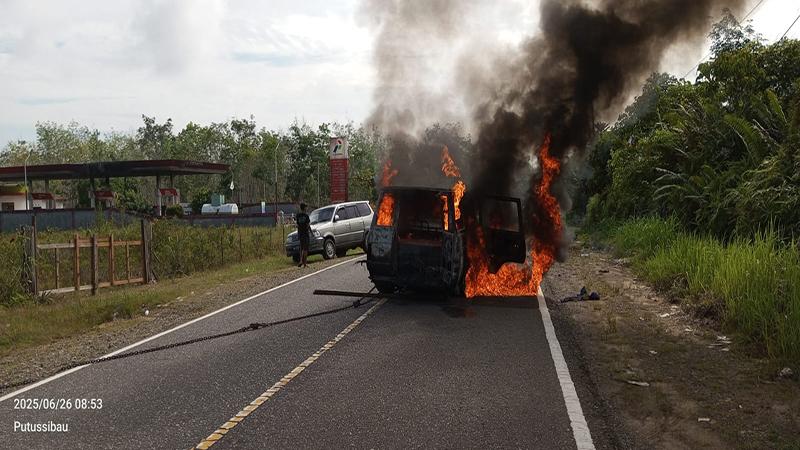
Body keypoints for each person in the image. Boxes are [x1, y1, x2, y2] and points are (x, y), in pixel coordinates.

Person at [295, 202, 311, 267]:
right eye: (306, 207)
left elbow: (298, 225)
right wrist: (311, 232)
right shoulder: (306, 216)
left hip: (300, 233)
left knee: (301, 248)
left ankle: (300, 261)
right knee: (305, 249)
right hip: (305, 233)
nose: (306, 208)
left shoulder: (298, 216)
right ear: (304, 208)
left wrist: (298, 233)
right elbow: (308, 225)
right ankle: (304, 263)